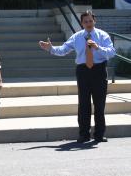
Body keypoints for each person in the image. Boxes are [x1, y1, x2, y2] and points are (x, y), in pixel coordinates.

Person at [39, 10, 116, 143]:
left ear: (94, 21)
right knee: (84, 104)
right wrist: (51, 48)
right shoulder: (77, 37)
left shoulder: (103, 35)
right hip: (83, 71)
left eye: (90, 21)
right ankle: (84, 134)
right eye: (85, 21)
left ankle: (99, 135)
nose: (88, 24)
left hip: (99, 70)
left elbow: (112, 52)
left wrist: (98, 48)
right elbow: (63, 49)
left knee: (99, 104)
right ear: (82, 23)